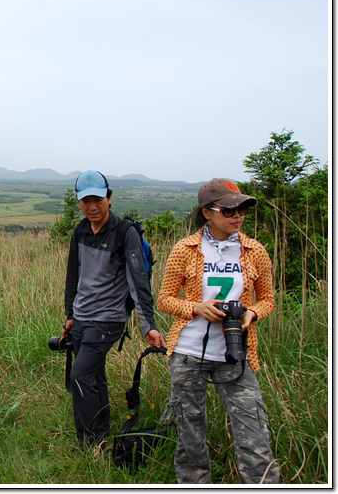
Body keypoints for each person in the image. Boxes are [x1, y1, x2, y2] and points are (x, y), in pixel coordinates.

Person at [157, 178, 279, 483]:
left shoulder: (254, 251)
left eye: (242, 209)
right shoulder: (184, 250)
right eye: (229, 210)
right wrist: (196, 308)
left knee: (255, 434)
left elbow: (268, 300)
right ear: (207, 212)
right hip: (188, 353)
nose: (237, 215)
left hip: (236, 353)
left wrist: (252, 312)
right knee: (190, 437)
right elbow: (164, 299)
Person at [63, 170, 164, 451]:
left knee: (80, 376)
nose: (92, 207)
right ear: (79, 202)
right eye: (86, 201)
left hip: (108, 320)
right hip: (82, 317)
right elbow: (74, 275)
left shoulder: (124, 233)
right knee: (94, 376)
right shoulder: (80, 230)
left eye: (98, 200)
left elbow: (138, 281)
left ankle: (88, 441)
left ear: (109, 198)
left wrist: (149, 325)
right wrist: (70, 315)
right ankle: (102, 430)